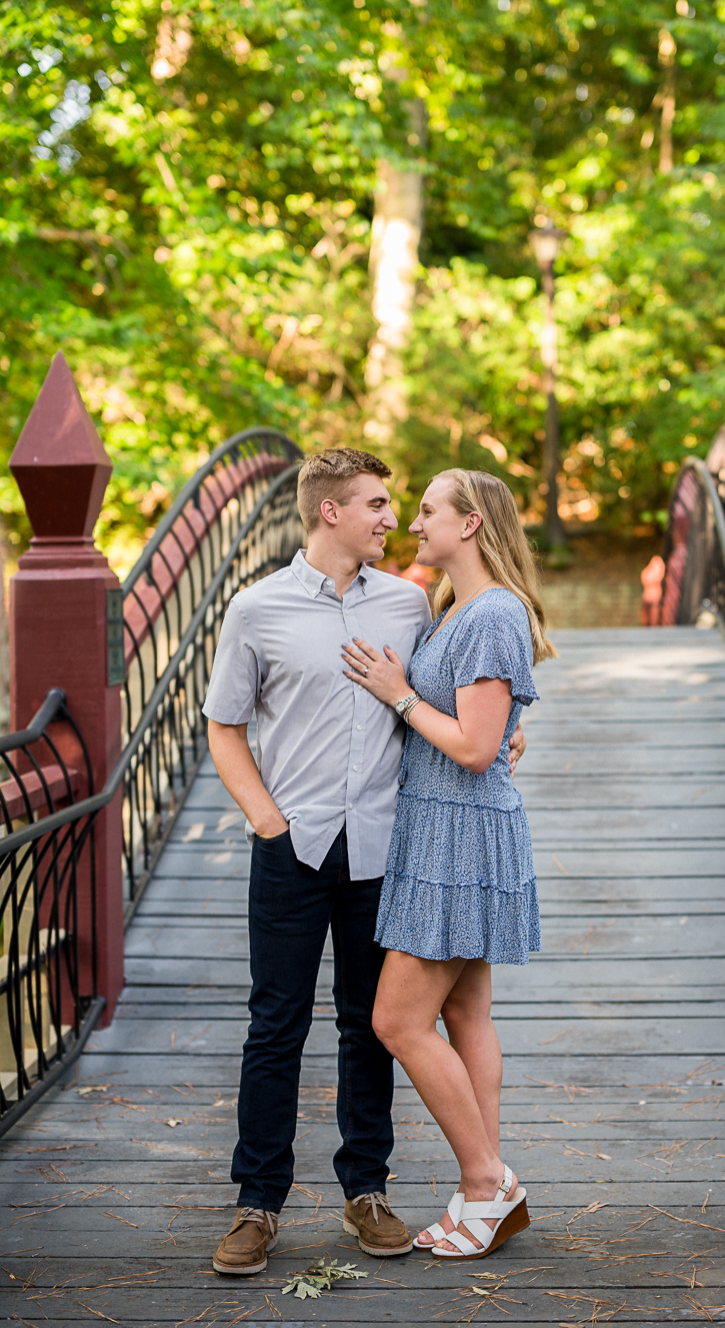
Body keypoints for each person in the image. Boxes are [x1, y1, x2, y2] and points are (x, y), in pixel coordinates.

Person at [201, 448, 527, 1275]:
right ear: (330, 512)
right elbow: (224, 725)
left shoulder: (411, 603)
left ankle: (366, 1192)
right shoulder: (257, 608)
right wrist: (264, 818)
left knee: (369, 1023)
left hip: (391, 845)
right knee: (275, 1024)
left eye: (403, 506)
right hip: (293, 843)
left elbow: (460, 701)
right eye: (379, 505)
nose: (395, 519)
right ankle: (257, 1203)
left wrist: (504, 732)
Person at [341, 468, 555, 1262]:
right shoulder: (454, 609)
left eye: (427, 510)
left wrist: (398, 693)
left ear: (470, 525)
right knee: (464, 1015)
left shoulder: (493, 612)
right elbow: (485, 730)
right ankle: (486, 1194)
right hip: (440, 829)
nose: (411, 522)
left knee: (396, 1019)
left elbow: (470, 747)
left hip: (459, 835)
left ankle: (484, 1181)